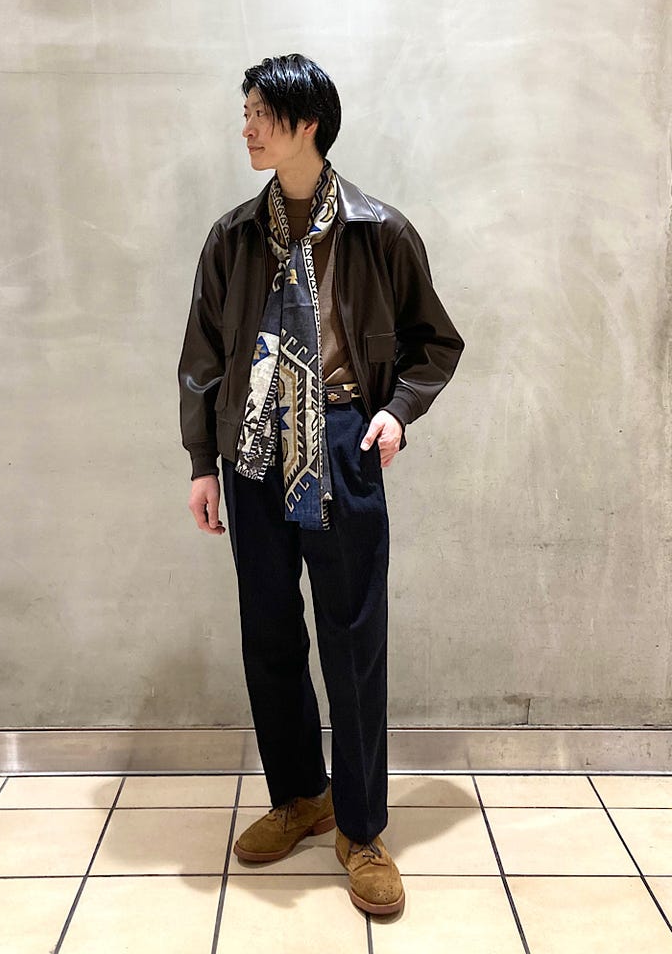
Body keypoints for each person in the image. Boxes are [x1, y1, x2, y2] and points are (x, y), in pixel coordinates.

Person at [178, 53, 463, 916]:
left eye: (259, 113)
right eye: (245, 111)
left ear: (307, 123)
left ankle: (363, 827)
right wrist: (201, 462)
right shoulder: (232, 236)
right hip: (252, 448)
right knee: (268, 633)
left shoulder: (380, 231)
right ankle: (302, 794)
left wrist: (398, 413)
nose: (246, 128)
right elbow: (201, 359)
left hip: (341, 439)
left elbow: (434, 343)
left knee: (352, 637)